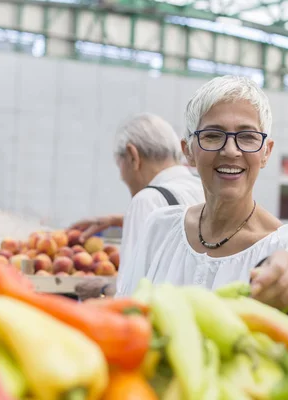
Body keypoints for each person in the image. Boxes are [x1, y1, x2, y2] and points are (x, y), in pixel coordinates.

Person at [116, 76, 288, 311]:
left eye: (248, 137)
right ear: (188, 151)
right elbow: (126, 313)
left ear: (266, 153)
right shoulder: (160, 228)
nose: (230, 151)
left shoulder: (285, 243)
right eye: (213, 136)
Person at [72, 113, 204, 299]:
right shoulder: (203, 188)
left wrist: (102, 289)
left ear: (133, 156)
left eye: (120, 167)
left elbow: (131, 295)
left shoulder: (148, 200)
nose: (121, 177)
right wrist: (120, 220)